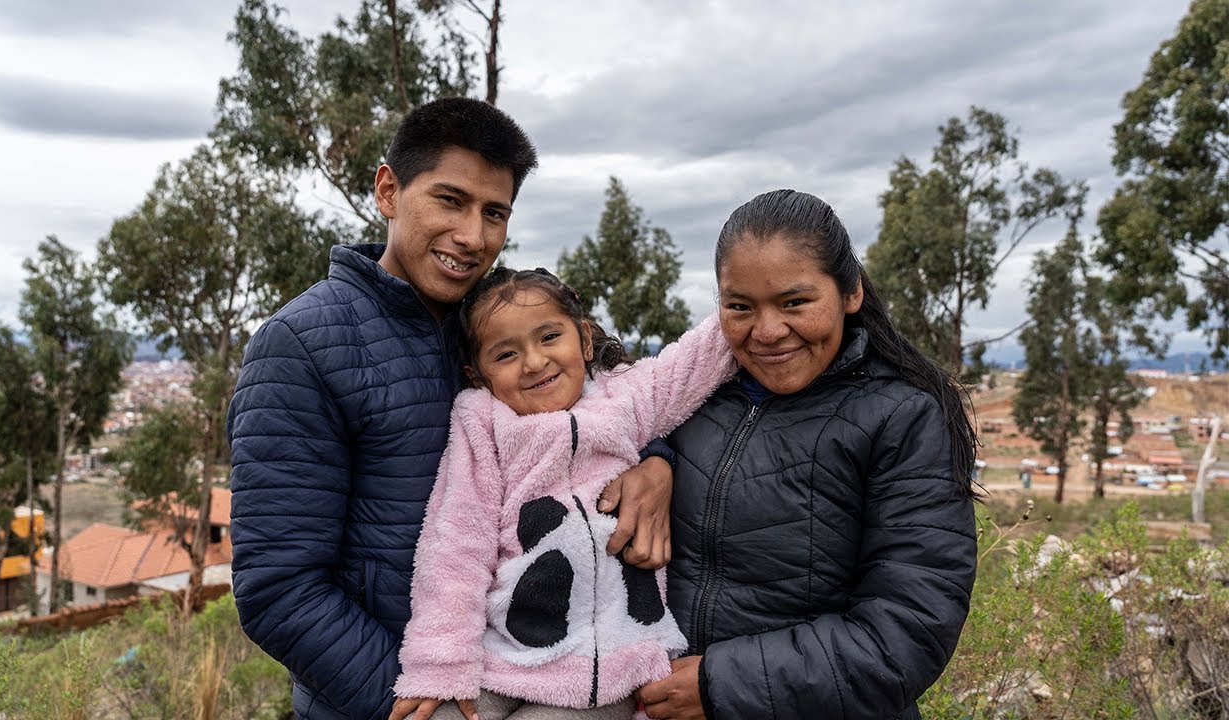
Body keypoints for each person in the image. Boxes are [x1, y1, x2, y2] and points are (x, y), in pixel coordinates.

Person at [227, 98, 675, 720]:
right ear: (389, 190)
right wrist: (425, 701)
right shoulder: (301, 345)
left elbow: (614, 393)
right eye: (450, 200)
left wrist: (657, 463)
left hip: (538, 676)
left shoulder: (504, 322)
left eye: (494, 213)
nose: (473, 237)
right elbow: (279, 589)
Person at [637, 190, 979, 720]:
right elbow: (594, 406)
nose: (768, 332)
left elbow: (907, 633)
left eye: (795, 303)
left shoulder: (901, 417)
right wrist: (655, 456)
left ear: (850, 293)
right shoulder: (691, 398)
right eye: (740, 307)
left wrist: (719, 685)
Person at [390, 268, 737, 720]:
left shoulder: (625, 399)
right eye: (507, 353)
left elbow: (697, 360)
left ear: (585, 341)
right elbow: (455, 547)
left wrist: (750, 301)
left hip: (609, 670)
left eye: (550, 336)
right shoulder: (483, 426)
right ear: (478, 376)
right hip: (505, 659)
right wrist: (440, 664)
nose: (534, 362)